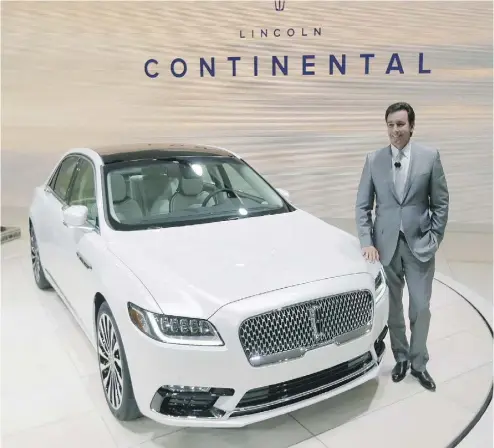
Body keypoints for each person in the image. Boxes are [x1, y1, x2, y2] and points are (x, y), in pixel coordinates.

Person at [355, 102, 449, 391]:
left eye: (400, 124)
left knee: (420, 307)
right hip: (386, 248)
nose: (395, 130)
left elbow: (441, 202)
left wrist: (434, 238)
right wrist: (367, 241)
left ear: (411, 126)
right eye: (391, 125)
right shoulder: (373, 159)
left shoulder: (429, 157)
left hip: (419, 244)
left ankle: (420, 363)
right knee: (393, 308)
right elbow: (362, 206)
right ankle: (402, 357)